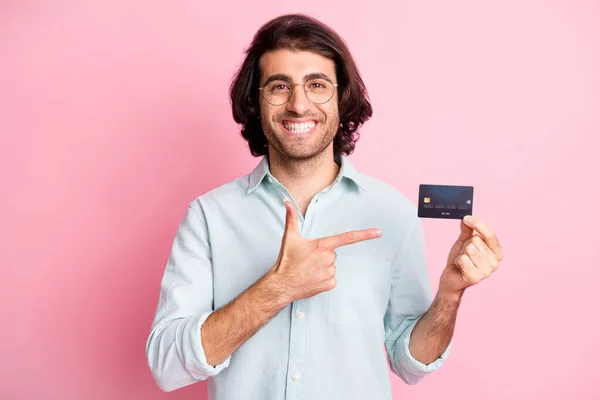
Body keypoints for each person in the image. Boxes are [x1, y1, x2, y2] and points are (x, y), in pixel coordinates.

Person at [145, 13, 504, 400]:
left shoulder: (393, 214)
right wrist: (276, 289)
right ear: (256, 100)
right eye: (279, 86)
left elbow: (410, 362)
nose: (299, 105)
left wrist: (450, 294)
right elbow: (167, 367)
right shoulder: (209, 217)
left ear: (342, 96)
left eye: (317, 85)